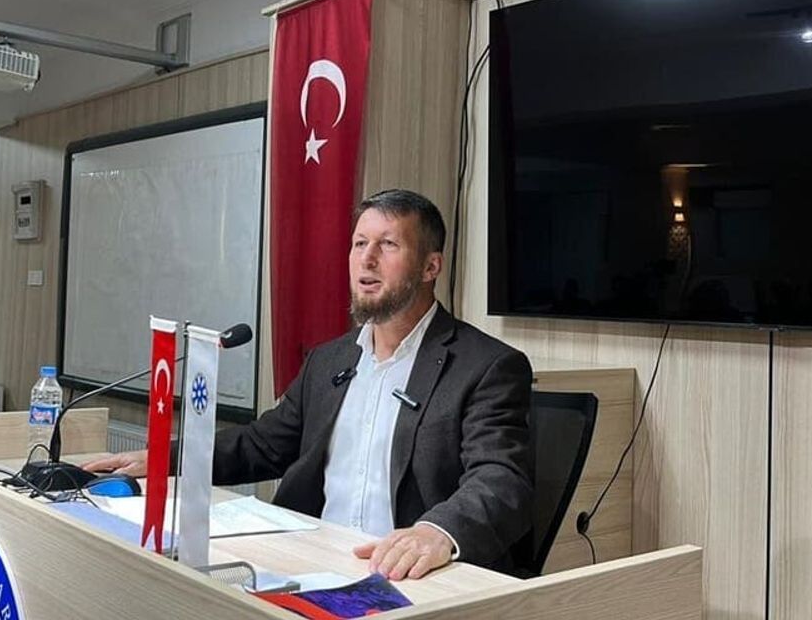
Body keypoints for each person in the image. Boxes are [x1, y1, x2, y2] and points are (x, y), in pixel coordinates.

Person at [84, 189, 533, 579]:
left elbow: (501, 478)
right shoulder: (329, 360)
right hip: (311, 560)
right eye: (359, 243)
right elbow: (263, 444)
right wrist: (166, 458)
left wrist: (437, 533)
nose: (367, 259)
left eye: (388, 244)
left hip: (406, 573)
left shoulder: (486, 366)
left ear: (430, 266)